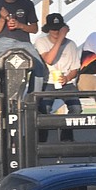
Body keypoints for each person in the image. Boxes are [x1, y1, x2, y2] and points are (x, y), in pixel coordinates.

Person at [34, 13, 83, 143]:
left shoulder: (71, 44)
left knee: (76, 109)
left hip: (66, 82)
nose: (56, 32)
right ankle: (41, 140)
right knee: (44, 109)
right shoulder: (41, 41)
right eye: (53, 28)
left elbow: (75, 69)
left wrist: (67, 78)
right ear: (48, 29)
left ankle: (66, 133)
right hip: (47, 81)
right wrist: (61, 38)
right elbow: (48, 60)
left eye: (58, 28)